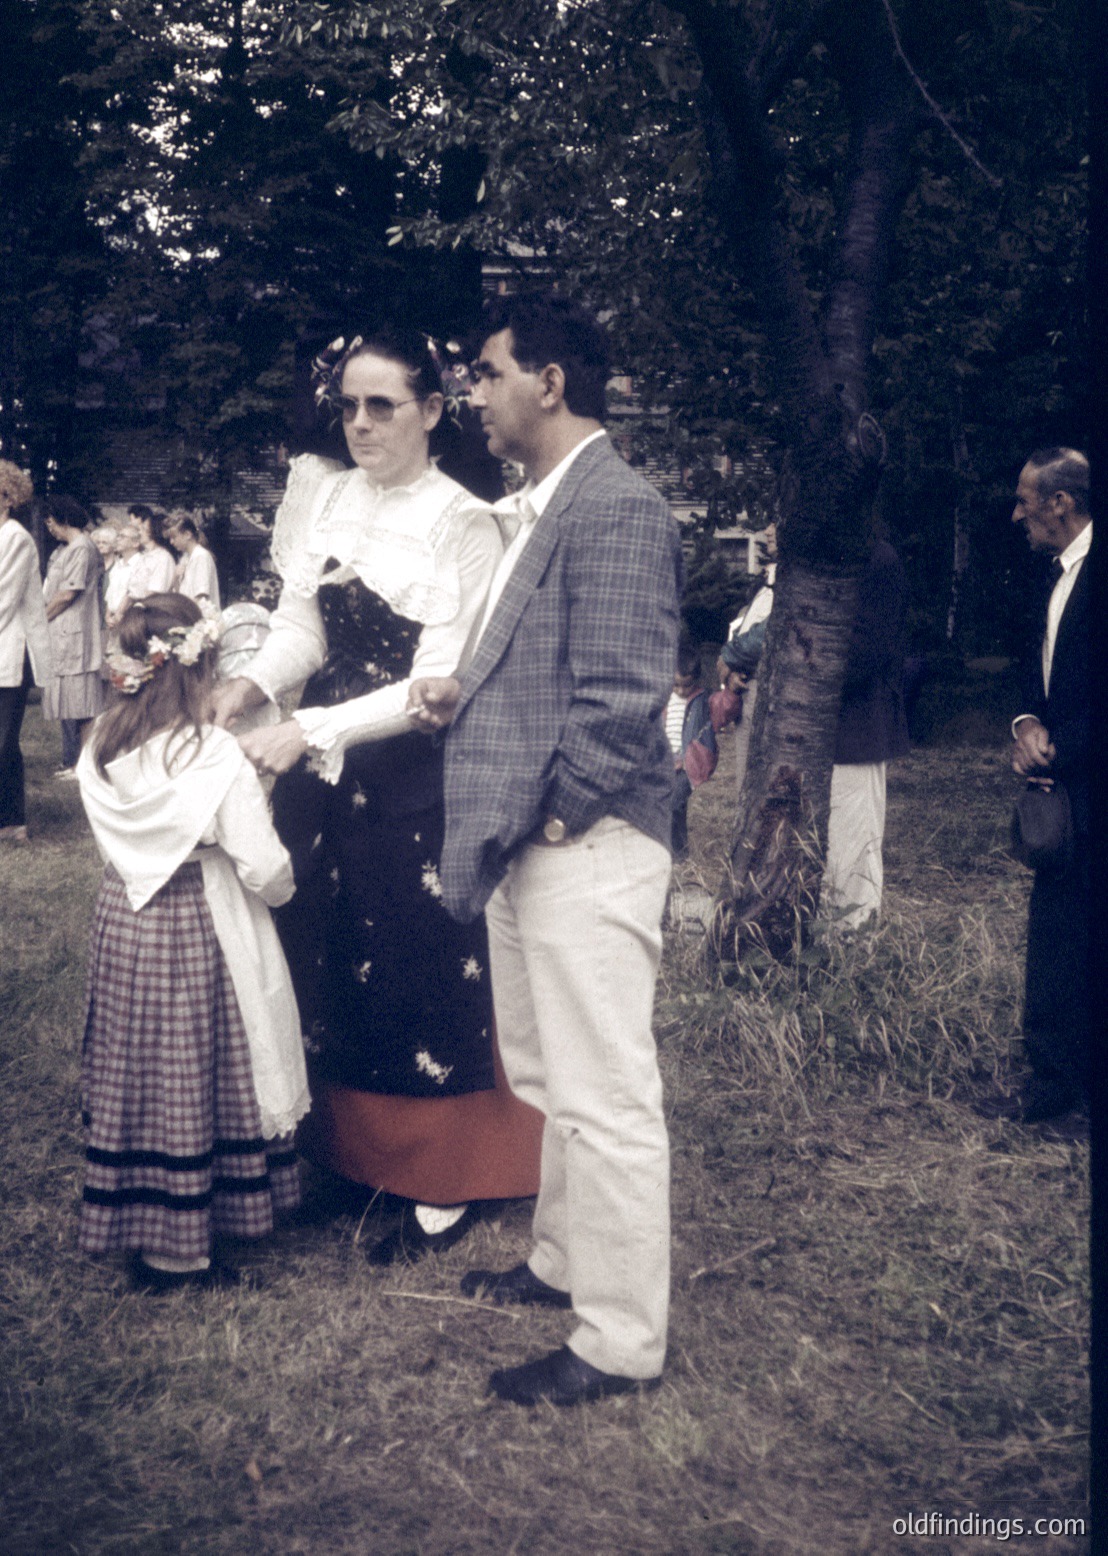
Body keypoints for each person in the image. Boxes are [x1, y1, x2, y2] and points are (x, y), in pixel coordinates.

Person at [210, 324, 542, 1265]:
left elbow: (434, 682)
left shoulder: (464, 522)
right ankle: (349, 1156)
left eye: (381, 405)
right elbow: (302, 630)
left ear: (432, 411)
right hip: (325, 763)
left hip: (416, 767)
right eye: (348, 405)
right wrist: (249, 685)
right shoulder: (327, 498)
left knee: (416, 954)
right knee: (324, 944)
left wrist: (309, 728)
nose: (359, 423)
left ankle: (444, 1177)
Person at [409, 292, 683, 1406]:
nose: (471, 392)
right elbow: (543, 667)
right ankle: (564, 1261)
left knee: (605, 1093)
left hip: (587, 839)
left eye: (485, 371)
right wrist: (459, 693)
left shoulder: (617, 506)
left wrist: (558, 817)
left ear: (549, 381)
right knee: (554, 1075)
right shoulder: (543, 503)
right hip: (535, 839)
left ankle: (619, 1341)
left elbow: (621, 697)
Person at [77, 593, 307, 1290]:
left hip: (127, 913)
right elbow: (261, 863)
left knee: (142, 1067)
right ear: (202, 664)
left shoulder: (100, 741)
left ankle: (144, 1214)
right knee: (199, 1064)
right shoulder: (212, 754)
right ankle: (182, 1250)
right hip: (202, 916)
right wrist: (283, 891)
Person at [1008, 447, 1090, 1123]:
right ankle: (1054, 1084)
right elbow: (1039, 675)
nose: (1017, 515)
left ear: (1060, 503)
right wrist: (1027, 723)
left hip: (1088, 777)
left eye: (1025, 500)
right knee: (1058, 932)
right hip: (1066, 793)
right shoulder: (1055, 577)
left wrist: (1064, 748)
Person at [822, 540, 910, 927]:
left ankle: (852, 944)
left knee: (854, 848)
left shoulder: (877, 559)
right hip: (826, 734)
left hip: (857, 732)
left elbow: (865, 651)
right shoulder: (829, 553)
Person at [0, 461, 52, 841]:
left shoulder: (15, 539)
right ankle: (10, 820)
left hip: (10, 653)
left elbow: (3, 600)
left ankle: (12, 822)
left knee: (2, 742)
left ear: (7, 499)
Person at [42, 495, 105, 776]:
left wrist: (40, 620)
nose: (50, 529)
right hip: (63, 633)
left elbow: (68, 593)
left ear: (64, 519)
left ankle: (84, 765)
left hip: (76, 634)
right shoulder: (66, 549)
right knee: (72, 703)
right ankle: (75, 762)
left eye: (52, 523)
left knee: (83, 704)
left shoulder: (82, 548)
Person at [718, 525, 776, 796]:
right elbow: (747, 628)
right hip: (749, 689)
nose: (768, 531)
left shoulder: (793, 581)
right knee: (747, 785)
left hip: (768, 693)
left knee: (762, 789)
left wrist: (729, 657)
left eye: (776, 523)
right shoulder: (768, 581)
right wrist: (731, 671)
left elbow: (770, 631)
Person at [665, 638, 718, 858]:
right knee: (670, 808)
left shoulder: (702, 700)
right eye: (676, 684)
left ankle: (678, 855)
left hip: (687, 764)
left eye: (686, 685)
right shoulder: (663, 697)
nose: (680, 690)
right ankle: (675, 849)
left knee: (674, 804)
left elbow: (722, 708)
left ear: (695, 680)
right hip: (664, 762)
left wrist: (732, 693)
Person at [112, 505, 176, 619]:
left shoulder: (163, 558)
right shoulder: (144, 556)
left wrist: (132, 615)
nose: (139, 533)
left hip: (149, 616)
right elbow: (131, 592)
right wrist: (119, 613)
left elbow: (155, 594)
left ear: (153, 533)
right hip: (132, 614)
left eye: (143, 530)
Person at [169, 514, 221, 610]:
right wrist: (175, 578)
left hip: (202, 617)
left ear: (187, 535)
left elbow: (201, 597)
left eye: (174, 537)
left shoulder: (201, 556)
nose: (171, 542)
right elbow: (181, 596)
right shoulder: (185, 558)